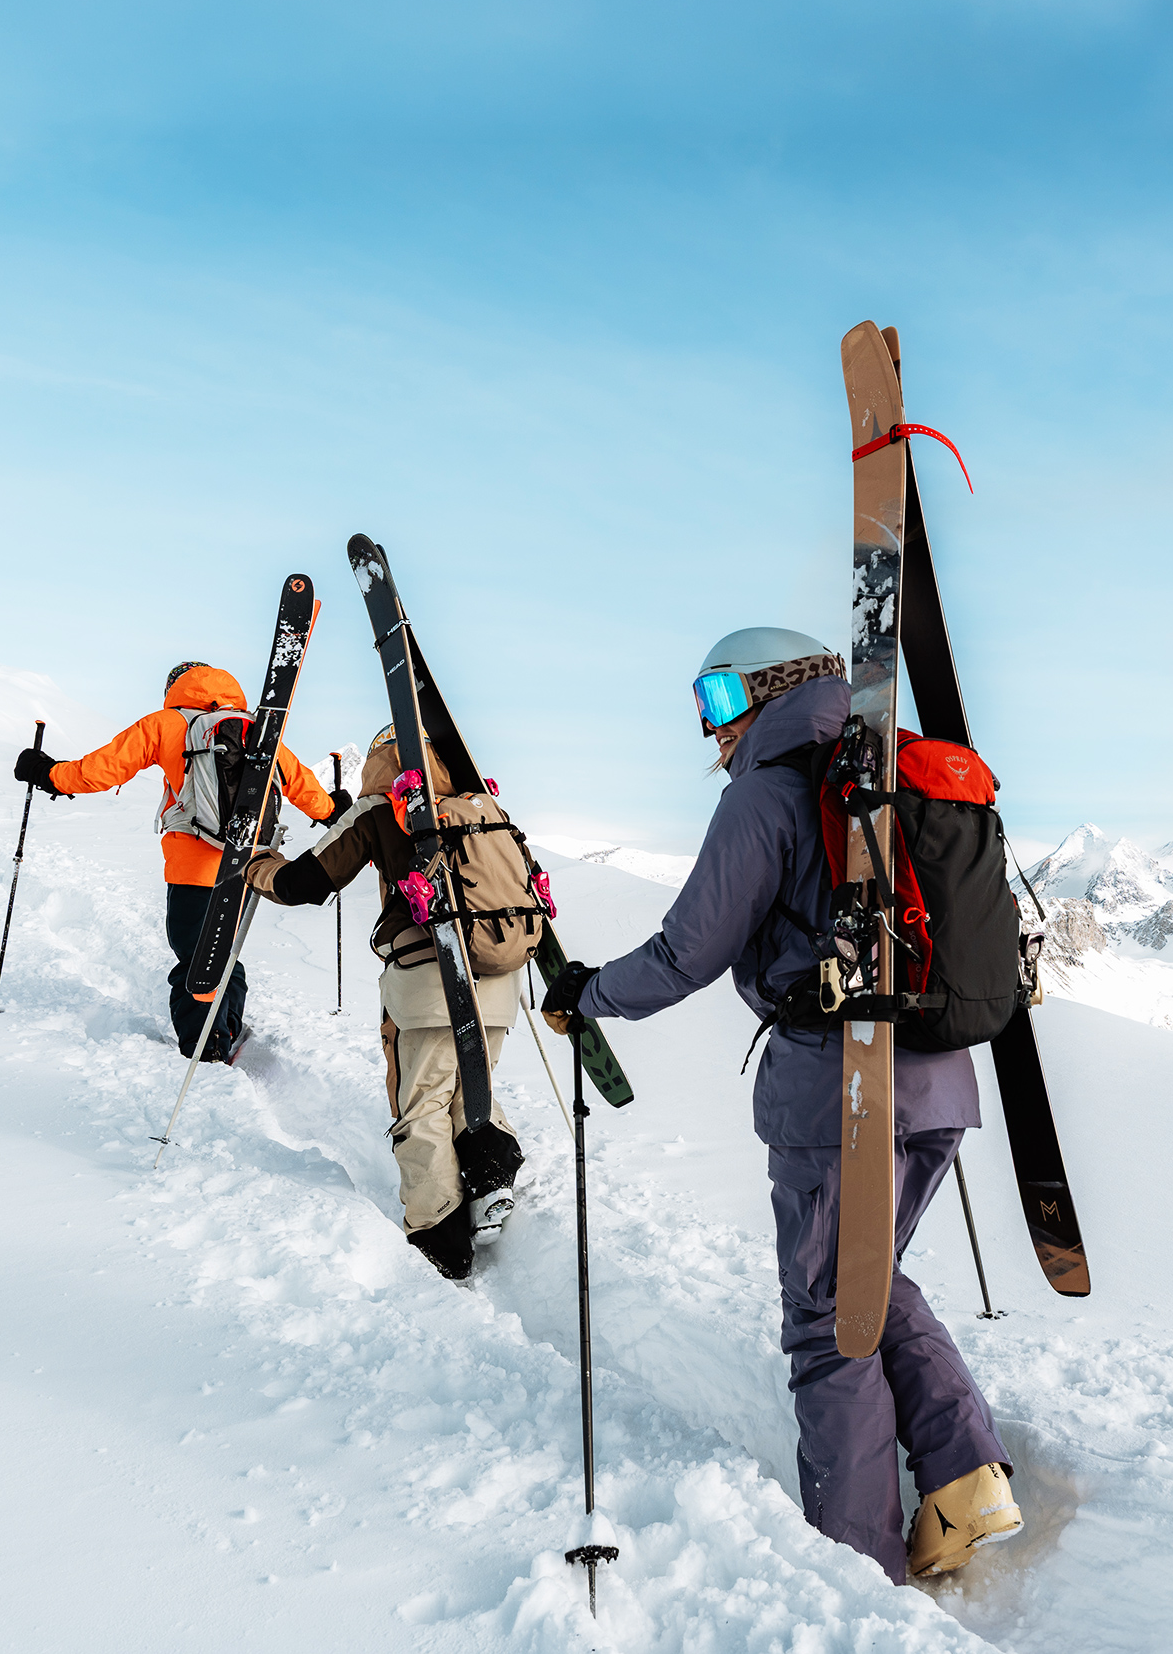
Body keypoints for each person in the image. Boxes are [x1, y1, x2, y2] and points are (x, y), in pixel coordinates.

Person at [541, 627, 1023, 1585]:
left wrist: (586, 992)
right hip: (939, 1080)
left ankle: (856, 1564)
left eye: (719, 699)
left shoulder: (767, 793)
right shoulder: (886, 775)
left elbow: (687, 952)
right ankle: (968, 1479)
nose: (710, 729)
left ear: (770, 691)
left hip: (837, 1092)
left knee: (826, 1317)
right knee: (867, 1280)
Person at [244, 724, 531, 1281]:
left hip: (426, 978)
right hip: (498, 977)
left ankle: (438, 1233)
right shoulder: (481, 805)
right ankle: (492, 1173)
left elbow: (306, 881)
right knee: (471, 1083)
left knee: (420, 1098)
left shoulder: (381, 807)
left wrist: (256, 866)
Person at [13, 662, 343, 1061]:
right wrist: (332, 809)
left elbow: (100, 771)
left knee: (196, 955)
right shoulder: (256, 727)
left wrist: (46, 773)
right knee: (226, 948)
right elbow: (301, 783)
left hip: (192, 867)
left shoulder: (168, 723)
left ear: (175, 687)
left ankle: (204, 1047)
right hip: (247, 864)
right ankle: (226, 1029)